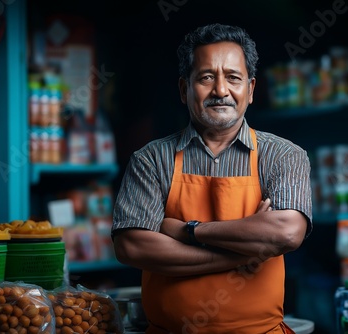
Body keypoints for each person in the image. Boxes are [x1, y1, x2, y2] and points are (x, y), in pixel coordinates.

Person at [112, 23, 313, 334]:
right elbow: (132, 247)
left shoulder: (283, 155)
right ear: (184, 89)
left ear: (251, 89)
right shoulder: (151, 159)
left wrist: (189, 231)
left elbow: (286, 233)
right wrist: (246, 252)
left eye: (233, 78)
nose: (221, 91)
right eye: (206, 78)